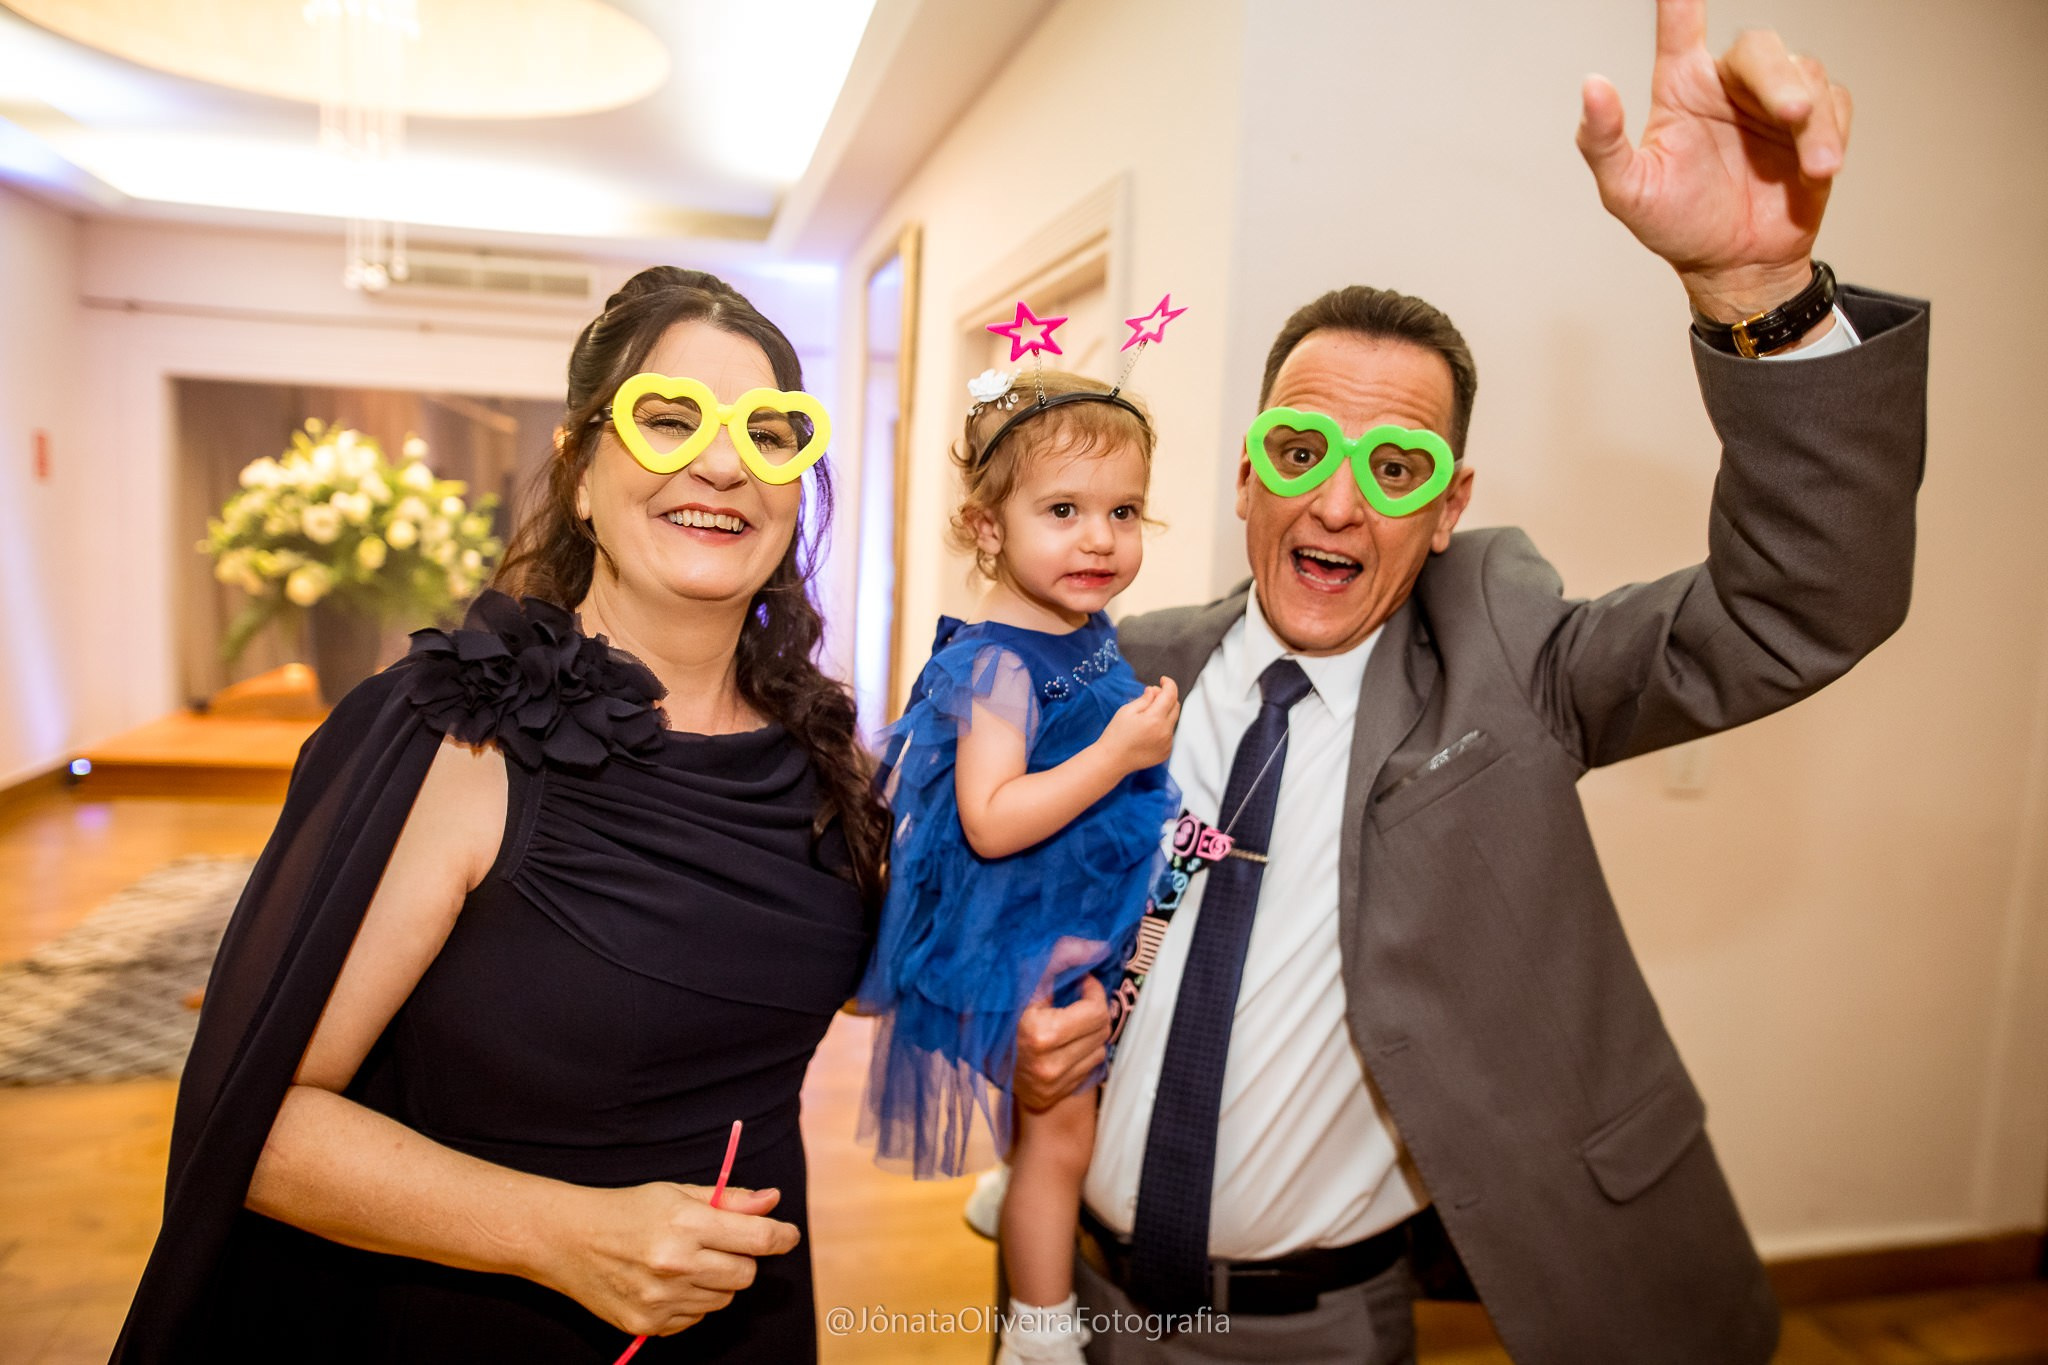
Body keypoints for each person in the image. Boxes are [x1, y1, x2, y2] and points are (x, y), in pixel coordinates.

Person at [1009, 4, 1929, 1362]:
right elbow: (1007, 922)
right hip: (1067, 1295)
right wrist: (1009, 1043)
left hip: (1323, 1327)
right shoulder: (1115, 673)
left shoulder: (1509, 663)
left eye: (1396, 472)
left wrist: (1760, 298)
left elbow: (1804, 601)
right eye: (1302, 448)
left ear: (1448, 510)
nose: (1338, 500)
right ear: (1250, 469)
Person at [111, 267, 893, 1363]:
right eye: (668, 421)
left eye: (769, 433)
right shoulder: (458, 742)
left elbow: (809, 988)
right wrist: (563, 1235)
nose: (721, 463)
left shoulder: (820, 755)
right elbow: (256, 1124)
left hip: (746, 1325)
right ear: (578, 470)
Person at [856, 368, 1181, 1364]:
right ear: (986, 527)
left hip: (1060, 900)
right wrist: (1119, 755)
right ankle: (1038, 1334)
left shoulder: (1078, 630)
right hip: (1017, 916)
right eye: (1063, 510)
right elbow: (990, 819)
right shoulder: (998, 662)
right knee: (1064, 1137)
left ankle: (1014, 1186)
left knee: (1046, 1114)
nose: (1099, 537)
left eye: (1122, 511)